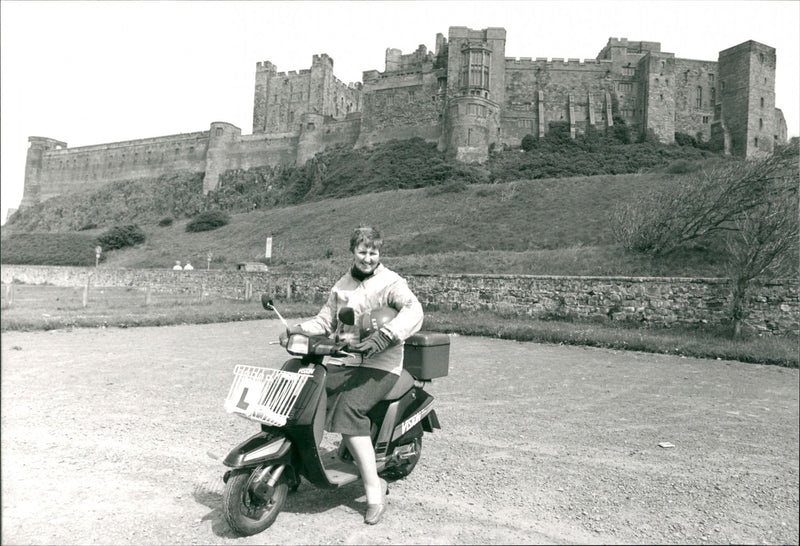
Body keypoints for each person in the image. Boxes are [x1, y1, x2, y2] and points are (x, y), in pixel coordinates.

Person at [282, 226, 423, 524]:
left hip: (380, 365)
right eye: (362, 251)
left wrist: (386, 335)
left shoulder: (392, 282)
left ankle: (374, 490)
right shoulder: (342, 285)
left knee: (349, 408)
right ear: (353, 252)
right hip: (345, 361)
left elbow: (414, 310)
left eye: (373, 252)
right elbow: (325, 320)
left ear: (379, 253)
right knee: (304, 392)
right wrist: (300, 329)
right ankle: (290, 466)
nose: (368, 258)